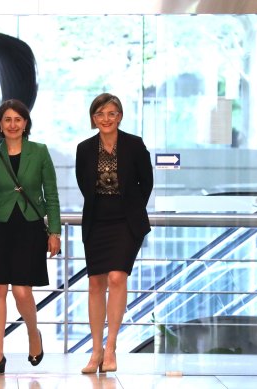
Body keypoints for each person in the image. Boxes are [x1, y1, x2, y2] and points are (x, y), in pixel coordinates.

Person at [0, 99, 61, 375]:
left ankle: (33, 334)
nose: (13, 124)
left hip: (29, 226)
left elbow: (51, 195)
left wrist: (55, 231)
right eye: (7, 119)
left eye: (18, 119)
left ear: (26, 123)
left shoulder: (40, 152)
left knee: (21, 291)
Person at [75, 93, 153, 374]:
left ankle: (111, 348)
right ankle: (95, 350)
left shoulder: (134, 144)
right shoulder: (84, 148)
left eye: (111, 113)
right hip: (97, 220)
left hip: (126, 221)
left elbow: (146, 181)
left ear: (119, 116)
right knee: (96, 283)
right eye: (100, 114)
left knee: (118, 276)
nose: (106, 119)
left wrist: (130, 207)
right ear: (93, 118)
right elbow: (84, 184)